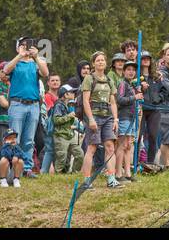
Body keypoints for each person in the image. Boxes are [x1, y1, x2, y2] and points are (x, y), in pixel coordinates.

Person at [0, 37, 47, 176]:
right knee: (13, 137)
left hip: (33, 105)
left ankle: (26, 168)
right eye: (23, 45)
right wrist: (19, 55)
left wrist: (37, 57)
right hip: (17, 103)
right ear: (17, 48)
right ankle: (10, 167)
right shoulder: (14, 62)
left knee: (29, 140)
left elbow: (46, 73)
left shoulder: (36, 63)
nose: (26, 48)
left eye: (28, 45)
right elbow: (6, 70)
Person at [79, 52, 120, 188]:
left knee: (110, 147)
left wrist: (115, 119)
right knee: (92, 147)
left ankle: (111, 178)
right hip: (94, 116)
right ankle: (86, 180)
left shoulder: (109, 80)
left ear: (106, 63)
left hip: (108, 116)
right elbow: (85, 100)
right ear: (93, 63)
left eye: (103, 60)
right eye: (98, 60)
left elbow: (113, 102)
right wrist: (90, 119)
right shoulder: (89, 79)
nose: (101, 62)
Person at [50, 85, 81, 174]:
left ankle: (75, 174)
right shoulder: (59, 105)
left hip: (69, 134)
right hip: (60, 135)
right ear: (66, 94)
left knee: (80, 155)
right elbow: (56, 120)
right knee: (61, 158)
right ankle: (57, 177)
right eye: (71, 92)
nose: (74, 94)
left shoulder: (67, 105)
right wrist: (69, 116)